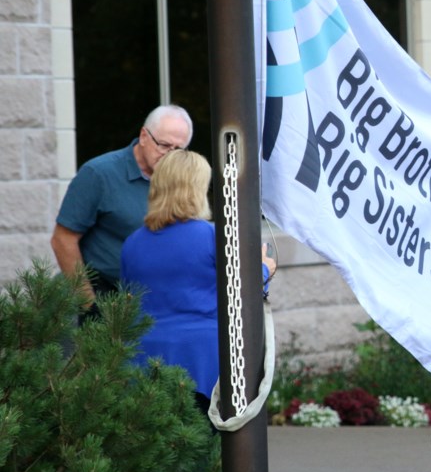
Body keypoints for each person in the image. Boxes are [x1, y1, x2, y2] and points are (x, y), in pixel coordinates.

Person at [121, 149, 277, 416]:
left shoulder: (132, 242)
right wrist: (264, 268)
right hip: (201, 365)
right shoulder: (212, 236)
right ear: (197, 189)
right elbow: (243, 294)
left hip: (142, 363)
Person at [51, 105, 193, 313]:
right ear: (144, 136)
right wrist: (89, 304)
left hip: (155, 302)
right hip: (102, 295)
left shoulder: (182, 180)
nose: (169, 156)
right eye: (163, 145)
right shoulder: (99, 174)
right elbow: (62, 240)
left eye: (178, 150)